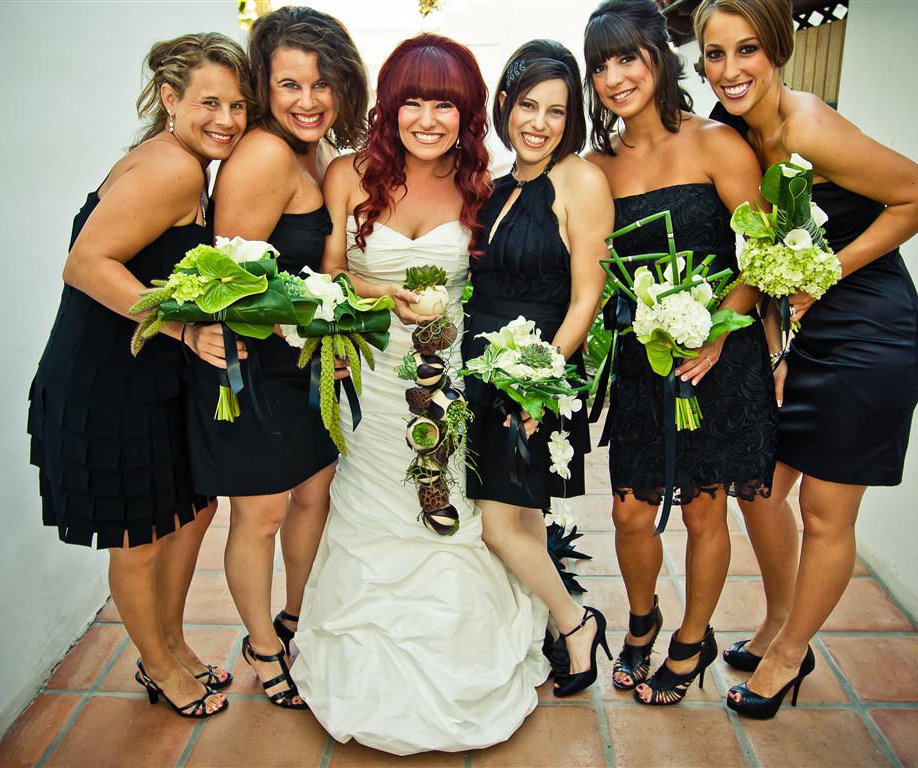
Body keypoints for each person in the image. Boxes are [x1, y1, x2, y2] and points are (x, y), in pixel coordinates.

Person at [292, 34, 548, 755]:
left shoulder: (482, 187)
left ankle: (463, 661)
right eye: (413, 103)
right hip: (371, 381)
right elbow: (331, 274)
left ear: (467, 114)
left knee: (450, 512)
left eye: (445, 105)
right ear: (389, 107)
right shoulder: (348, 173)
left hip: (449, 381)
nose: (428, 120)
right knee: (372, 508)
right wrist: (381, 295)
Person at [693, 0, 918, 718]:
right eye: (715, 54)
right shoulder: (737, 131)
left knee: (826, 511)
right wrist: (777, 346)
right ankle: (780, 620)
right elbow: (768, 254)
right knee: (759, 489)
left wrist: (830, 270)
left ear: (777, 50)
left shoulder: (808, 126)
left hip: (871, 336)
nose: (730, 69)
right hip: (810, 333)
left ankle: (789, 655)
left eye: (747, 49)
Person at [27, 33, 252, 718]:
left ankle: (174, 644)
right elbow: (84, 264)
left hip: (149, 375)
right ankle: (158, 667)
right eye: (209, 102)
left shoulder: (185, 163)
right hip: (107, 381)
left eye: (238, 105)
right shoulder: (171, 169)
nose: (226, 119)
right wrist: (182, 329)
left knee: (192, 510)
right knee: (140, 539)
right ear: (169, 98)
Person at [583, 0, 779, 706]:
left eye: (627, 58)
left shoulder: (717, 144)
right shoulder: (595, 166)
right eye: (600, 65)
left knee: (705, 512)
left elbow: (763, 254)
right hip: (644, 361)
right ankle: (643, 620)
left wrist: (720, 329)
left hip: (719, 358)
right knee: (629, 514)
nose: (614, 77)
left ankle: (692, 640)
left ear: (660, 59)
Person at [183, 6, 367, 710]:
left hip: (300, 365)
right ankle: (263, 646)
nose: (308, 100)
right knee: (260, 516)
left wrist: (333, 336)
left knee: (315, 495)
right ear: (264, 86)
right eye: (290, 85)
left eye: (322, 84)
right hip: (250, 369)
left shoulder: (313, 151)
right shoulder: (263, 154)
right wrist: (310, 328)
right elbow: (230, 286)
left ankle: (296, 615)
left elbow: (315, 272)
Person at [463, 40, 613, 697]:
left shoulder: (580, 181)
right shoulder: (497, 184)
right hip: (478, 373)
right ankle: (547, 627)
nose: (540, 123)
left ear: (571, 118)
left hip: (532, 376)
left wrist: (537, 381)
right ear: (505, 103)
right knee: (521, 518)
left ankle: (576, 624)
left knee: (499, 526)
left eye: (557, 111)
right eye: (528, 105)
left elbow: (586, 298)